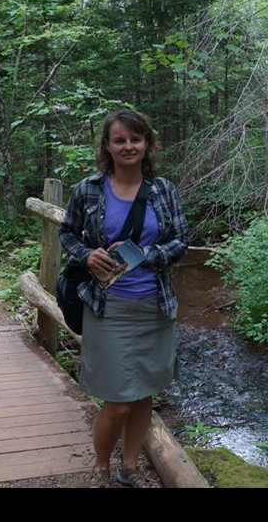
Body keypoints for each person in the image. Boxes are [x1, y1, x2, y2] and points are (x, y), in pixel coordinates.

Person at [58, 108, 189, 488]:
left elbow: (181, 241)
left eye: (135, 139)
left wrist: (150, 255)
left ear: (147, 143)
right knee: (117, 402)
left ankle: (129, 467)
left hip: (155, 307)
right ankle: (101, 468)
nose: (128, 146)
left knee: (144, 394)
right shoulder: (89, 189)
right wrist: (85, 253)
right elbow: (67, 232)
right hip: (107, 307)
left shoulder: (164, 190)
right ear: (108, 146)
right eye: (120, 140)